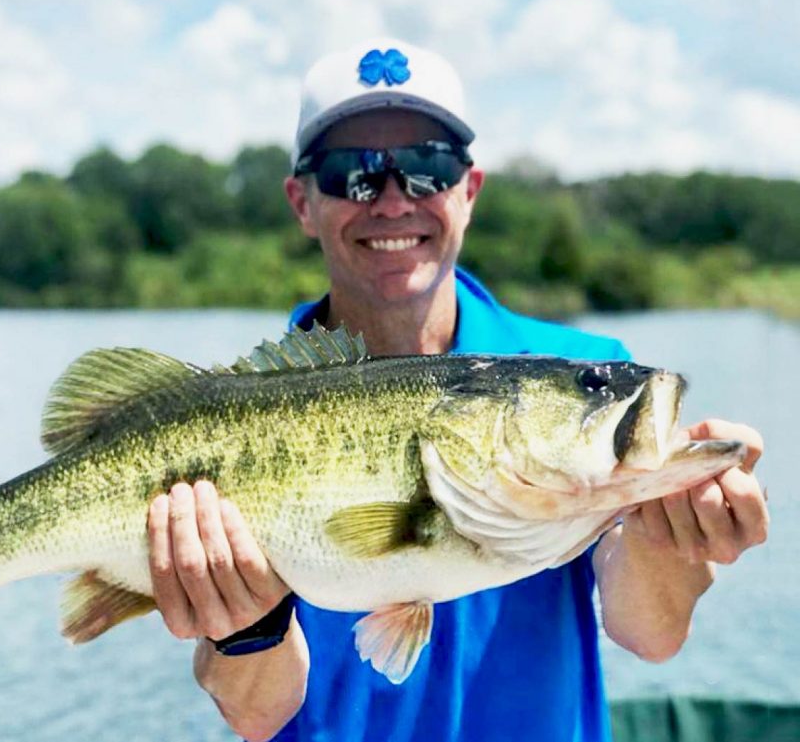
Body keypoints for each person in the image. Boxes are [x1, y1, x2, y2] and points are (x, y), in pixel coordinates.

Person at [145, 39, 770, 742]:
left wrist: (672, 531)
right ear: (302, 201)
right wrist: (246, 625)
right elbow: (257, 714)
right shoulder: (246, 416)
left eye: (425, 168)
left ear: (468, 190)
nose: (390, 201)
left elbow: (651, 633)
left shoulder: (581, 365)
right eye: (353, 175)